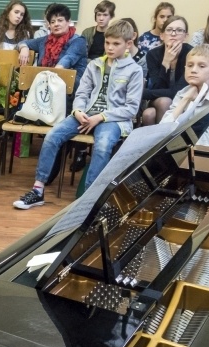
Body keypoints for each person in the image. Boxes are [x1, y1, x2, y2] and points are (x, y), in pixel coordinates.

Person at [13, 20, 143, 209]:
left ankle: (88, 201)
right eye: (108, 43)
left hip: (113, 119)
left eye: (116, 44)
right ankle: (38, 190)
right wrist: (78, 111)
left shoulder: (135, 70)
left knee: (103, 145)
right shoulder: (95, 65)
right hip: (86, 114)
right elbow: (82, 94)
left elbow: (131, 108)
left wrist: (101, 117)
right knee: (52, 136)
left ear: (128, 44)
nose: (110, 48)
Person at [18, 3, 88, 95]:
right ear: (49, 25)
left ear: (68, 21)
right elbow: (22, 43)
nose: (56, 24)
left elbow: (67, 59)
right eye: (52, 22)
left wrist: (49, 79)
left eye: (60, 20)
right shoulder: (44, 40)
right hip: (44, 85)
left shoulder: (78, 41)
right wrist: (24, 48)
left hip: (69, 89)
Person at [141, 16, 192, 126]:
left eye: (179, 30)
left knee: (151, 113)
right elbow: (157, 87)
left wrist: (146, 93)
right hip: (159, 100)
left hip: (185, 100)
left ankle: (163, 142)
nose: (173, 34)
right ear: (162, 35)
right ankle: (158, 142)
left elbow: (179, 91)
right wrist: (165, 62)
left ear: (185, 36)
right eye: (169, 30)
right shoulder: (153, 55)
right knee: (154, 109)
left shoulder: (191, 54)